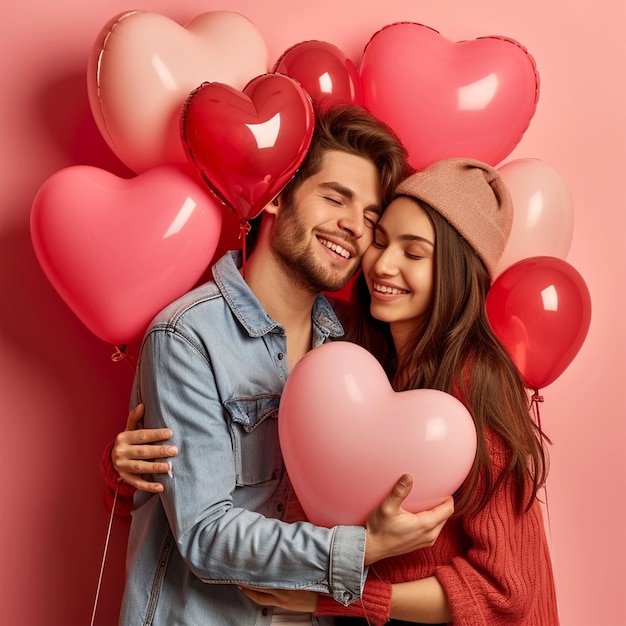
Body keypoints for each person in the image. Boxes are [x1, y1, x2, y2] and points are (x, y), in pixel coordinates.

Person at [113, 104, 455, 626]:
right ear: (275, 195)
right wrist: (359, 548)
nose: (353, 227)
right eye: (335, 197)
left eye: (370, 217)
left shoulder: (362, 342)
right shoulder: (188, 335)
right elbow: (205, 533)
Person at [236, 158, 561, 624]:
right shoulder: (349, 351)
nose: (382, 265)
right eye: (381, 241)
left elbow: (505, 589)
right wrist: (138, 470)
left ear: (454, 270)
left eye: (413, 253)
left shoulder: (475, 383)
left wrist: (329, 596)